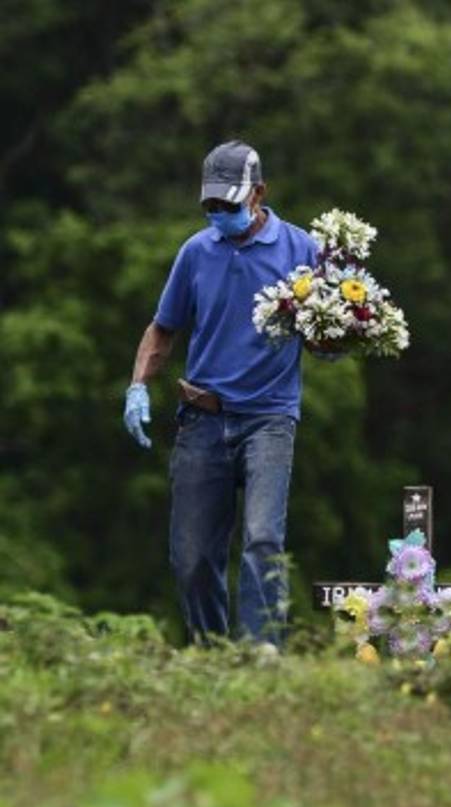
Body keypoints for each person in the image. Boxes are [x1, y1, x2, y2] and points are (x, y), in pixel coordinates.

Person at [123, 139, 324, 650]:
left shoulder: (302, 249)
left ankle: (262, 654)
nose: (219, 214)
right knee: (191, 559)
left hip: (269, 418)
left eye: (229, 205)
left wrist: (339, 335)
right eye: (211, 205)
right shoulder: (196, 252)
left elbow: (327, 339)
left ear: (259, 194)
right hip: (202, 419)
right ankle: (213, 656)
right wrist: (137, 387)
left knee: (262, 539)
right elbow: (163, 328)